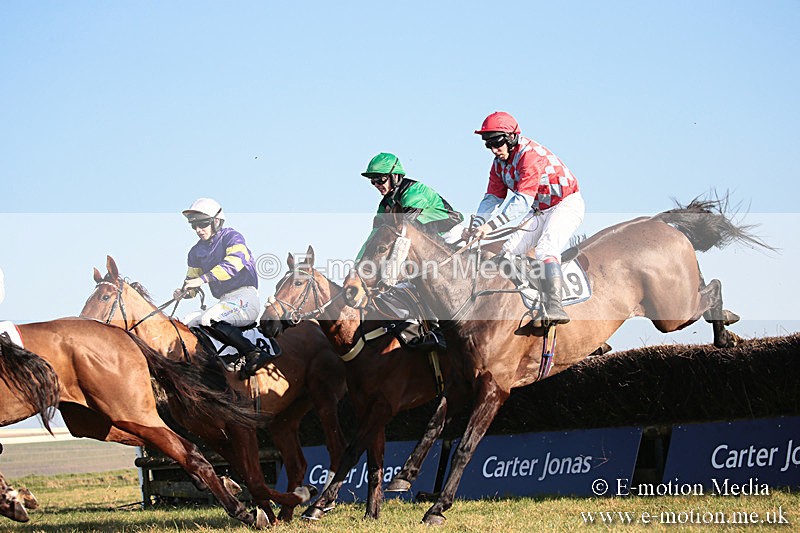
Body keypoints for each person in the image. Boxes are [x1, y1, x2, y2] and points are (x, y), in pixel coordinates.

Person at [466, 111, 585, 324]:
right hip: (540, 210)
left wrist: (490, 226)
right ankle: (534, 293)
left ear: (511, 137)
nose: (494, 149)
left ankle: (555, 307)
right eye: (488, 144)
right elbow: (492, 198)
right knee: (507, 253)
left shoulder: (530, 156)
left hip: (565, 204)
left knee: (546, 248)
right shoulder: (498, 164)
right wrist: (476, 224)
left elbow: (521, 202)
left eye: (497, 142)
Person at [357, 152, 464, 352]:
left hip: (448, 234)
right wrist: (358, 267)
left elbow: (403, 231)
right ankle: (424, 328)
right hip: (424, 241)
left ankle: (442, 330)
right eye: (373, 181)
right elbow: (375, 237)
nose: (377, 184)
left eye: (380, 179)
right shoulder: (385, 204)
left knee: (424, 279)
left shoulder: (414, 191)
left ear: (395, 176)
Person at [174, 198, 276, 377]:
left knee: (209, 319)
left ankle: (254, 352)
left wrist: (202, 279)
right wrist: (184, 292)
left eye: (202, 224)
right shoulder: (195, 252)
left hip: (246, 297)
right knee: (186, 322)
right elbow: (192, 282)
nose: (198, 230)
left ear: (216, 221)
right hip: (224, 302)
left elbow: (232, 265)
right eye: (194, 226)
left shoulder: (232, 237)